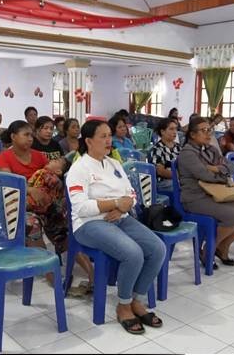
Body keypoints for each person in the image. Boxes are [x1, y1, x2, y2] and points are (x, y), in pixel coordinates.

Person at [66, 119, 166, 335]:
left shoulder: (114, 164)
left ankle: (137, 301)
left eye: (109, 135)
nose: (109, 140)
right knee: (133, 253)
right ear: (89, 141)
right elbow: (81, 207)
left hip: (119, 216)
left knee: (158, 249)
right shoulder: (79, 168)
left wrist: (122, 207)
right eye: (103, 136)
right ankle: (123, 305)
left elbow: (131, 193)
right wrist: (114, 203)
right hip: (89, 224)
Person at [0, 121, 93, 287]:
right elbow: (8, 183)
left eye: (30, 135)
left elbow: (50, 174)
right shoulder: (4, 157)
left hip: (43, 204)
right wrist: (30, 190)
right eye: (25, 135)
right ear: (13, 137)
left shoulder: (38, 155)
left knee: (63, 227)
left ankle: (92, 274)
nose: (29, 139)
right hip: (18, 206)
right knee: (31, 225)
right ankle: (54, 278)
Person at [178, 117, 234, 268]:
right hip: (196, 198)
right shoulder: (187, 153)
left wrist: (216, 169)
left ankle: (222, 246)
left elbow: (232, 167)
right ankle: (209, 250)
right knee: (233, 217)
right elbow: (205, 176)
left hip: (217, 195)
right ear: (192, 135)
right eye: (204, 131)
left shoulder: (212, 150)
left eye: (210, 130)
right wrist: (222, 173)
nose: (208, 134)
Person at [149, 118, 181, 192]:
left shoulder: (178, 147)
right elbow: (160, 171)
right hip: (164, 182)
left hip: (179, 179)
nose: (175, 132)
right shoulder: (158, 148)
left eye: (175, 129)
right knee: (184, 186)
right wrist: (178, 176)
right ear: (162, 131)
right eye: (171, 129)